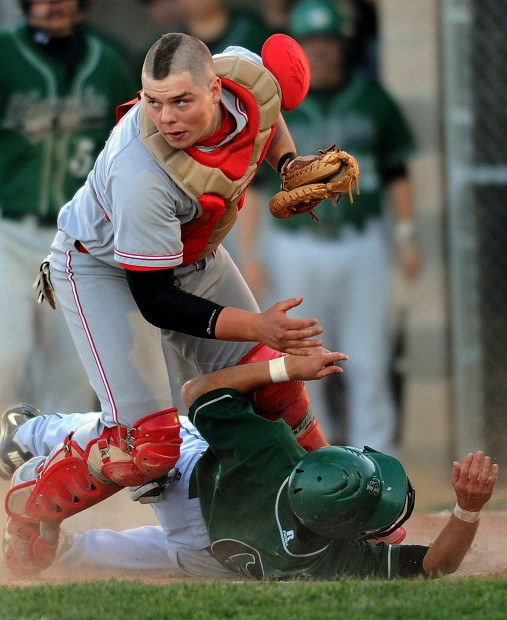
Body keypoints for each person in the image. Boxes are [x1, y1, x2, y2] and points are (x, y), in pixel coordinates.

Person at [1, 31, 335, 576]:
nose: (166, 117)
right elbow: (156, 299)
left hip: (192, 251)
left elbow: (267, 111)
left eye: (182, 101)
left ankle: (333, 498)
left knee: (274, 383)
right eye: (152, 102)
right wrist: (257, 326)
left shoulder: (245, 75)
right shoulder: (143, 173)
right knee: (144, 448)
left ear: (216, 87)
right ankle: (29, 497)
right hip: (103, 268)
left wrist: (291, 163)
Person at [0, 347, 498, 579]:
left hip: (185, 485)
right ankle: (52, 553)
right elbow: (436, 565)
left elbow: (198, 392)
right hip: (214, 556)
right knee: (156, 554)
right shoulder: (330, 562)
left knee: (150, 434)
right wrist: (468, 509)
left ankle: (27, 441)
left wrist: (284, 368)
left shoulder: (273, 456)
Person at [237, 0, 422, 452]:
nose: (322, 53)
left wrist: (405, 236)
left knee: (369, 356)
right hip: (295, 245)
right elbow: (256, 187)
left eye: (330, 42)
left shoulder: (372, 98)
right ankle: (310, 461)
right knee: (299, 357)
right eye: (312, 44)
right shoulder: (279, 108)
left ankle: (375, 460)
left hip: (363, 244)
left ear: (344, 45)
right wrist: (252, 254)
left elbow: (397, 171)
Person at [0, 0, 137, 415]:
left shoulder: (108, 64)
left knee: (74, 370)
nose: (55, 5)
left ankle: (52, 467)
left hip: (79, 237)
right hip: (10, 231)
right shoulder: (6, 54)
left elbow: (128, 153)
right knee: (7, 355)